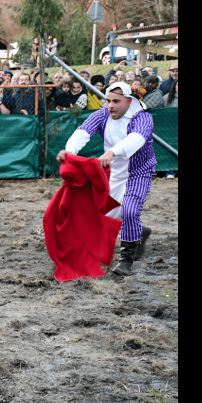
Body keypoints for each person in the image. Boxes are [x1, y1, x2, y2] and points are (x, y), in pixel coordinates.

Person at [57, 82, 154, 276]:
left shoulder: (143, 117)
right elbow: (83, 131)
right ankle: (139, 232)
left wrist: (111, 152)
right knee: (105, 214)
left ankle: (126, 260)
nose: (110, 105)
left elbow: (136, 139)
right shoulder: (103, 114)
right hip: (113, 172)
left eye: (116, 101)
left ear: (128, 100)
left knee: (129, 210)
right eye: (108, 100)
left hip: (138, 171)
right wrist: (69, 152)